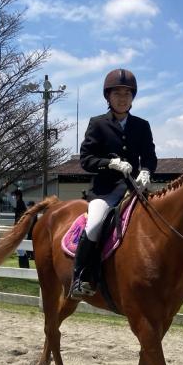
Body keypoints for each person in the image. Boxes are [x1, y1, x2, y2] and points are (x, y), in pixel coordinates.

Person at [71, 68, 158, 298]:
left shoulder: (142, 125)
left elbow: (149, 157)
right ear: (108, 96)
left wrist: (146, 171)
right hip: (105, 191)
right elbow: (86, 160)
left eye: (127, 94)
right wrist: (110, 163)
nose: (122, 98)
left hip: (135, 189)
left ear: (133, 97)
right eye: (117, 93)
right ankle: (80, 277)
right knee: (95, 224)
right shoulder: (97, 124)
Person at [13, 189, 30, 269]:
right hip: (20, 227)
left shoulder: (20, 203)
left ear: (18, 196)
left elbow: (20, 217)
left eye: (15, 195)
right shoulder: (20, 203)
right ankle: (24, 265)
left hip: (20, 228)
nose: (14, 197)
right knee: (20, 248)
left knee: (20, 248)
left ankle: (24, 265)